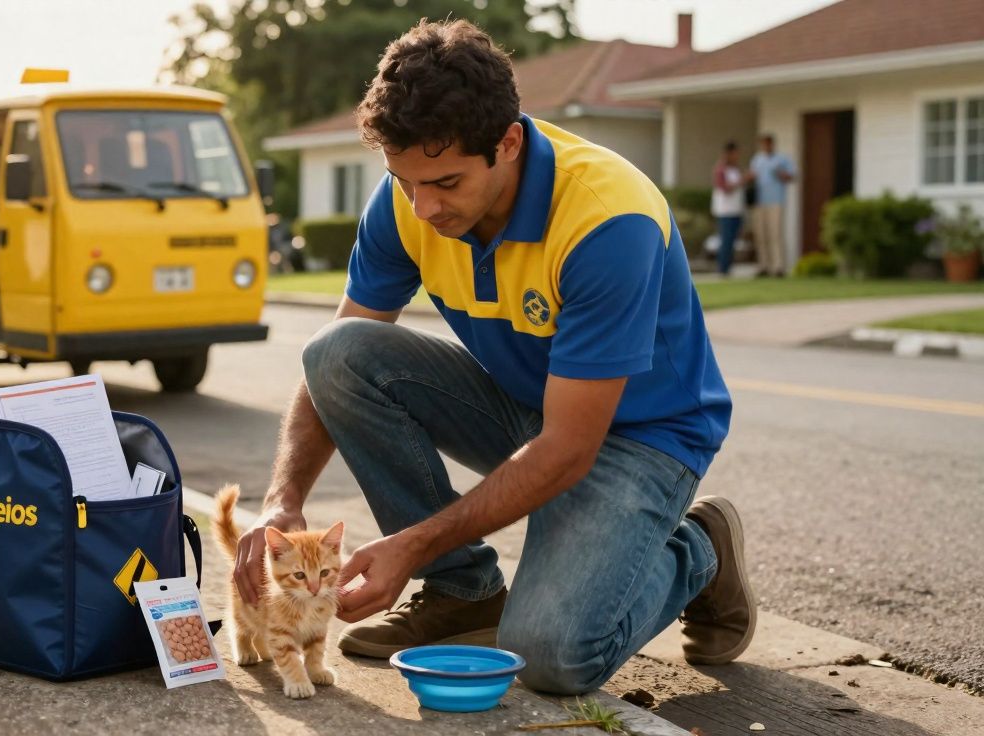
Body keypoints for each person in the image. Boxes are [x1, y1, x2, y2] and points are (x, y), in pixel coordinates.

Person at [230, 19, 751, 695]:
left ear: (507, 143)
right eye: (404, 179)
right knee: (337, 354)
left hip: (640, 437)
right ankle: (463, 593)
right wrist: (282, 500)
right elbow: (336, 360)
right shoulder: (407, 200)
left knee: (549, 655)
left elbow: (567, 449)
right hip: (530, 406)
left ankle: (699, 546)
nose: (423, 206)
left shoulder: (606, 221)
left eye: (444, 182)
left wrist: (414, 544)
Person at [749, 134, 796, 277]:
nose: (766, 146)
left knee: (775, 234)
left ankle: (778, 266)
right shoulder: (757, 160)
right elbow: (752, 176)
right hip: (760, 202)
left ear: (772, 144)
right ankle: (764, 266)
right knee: (761, 235)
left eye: (768, 144)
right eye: (763, 144)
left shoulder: (782, 159)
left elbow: (792, 176)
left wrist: (780, 174)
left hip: (776, 201)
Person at [712, 141, 749, 276]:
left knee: (733, 240)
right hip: (725, 211)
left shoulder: (737, 169)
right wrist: (742, 181)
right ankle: (723, 268)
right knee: (726, 240)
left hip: (736, 209)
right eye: (735, 153)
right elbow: (724, 188)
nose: (737, 156)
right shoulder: (721, 169)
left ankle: (728, 266)